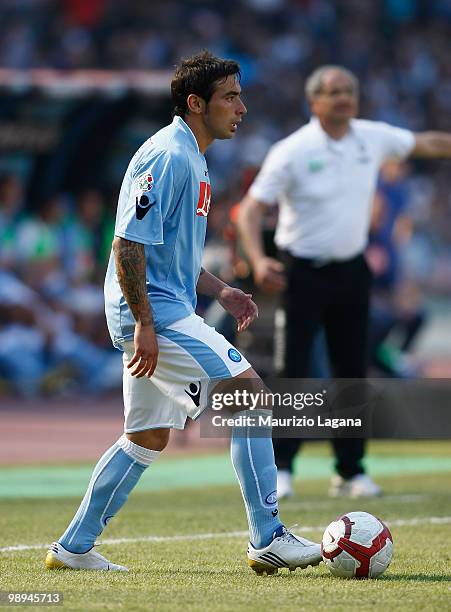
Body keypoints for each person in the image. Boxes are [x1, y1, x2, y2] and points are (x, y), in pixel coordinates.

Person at [44, 51, 322, 574]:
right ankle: (269, 536)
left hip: (160, 307)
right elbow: (128, 244)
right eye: (231, 97)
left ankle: (73, 547)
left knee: (146, 437)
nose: (242, 107)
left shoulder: (194, 154)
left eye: (240, 95)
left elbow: (173, 252)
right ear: (196, 103)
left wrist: (220, 290)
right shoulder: (169, 156)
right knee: (252, 395)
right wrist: (145, 325)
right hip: (155, 313)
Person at [238, 65, 451, 499]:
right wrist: (259, 261)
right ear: (313, 101)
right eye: (334, 92)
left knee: (350, 372)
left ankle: (350, 471)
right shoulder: (291, 150)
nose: (343, 98)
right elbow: (249, 211)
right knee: (292, 371)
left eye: (349, 90)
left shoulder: (370, 137)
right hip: (301, 273)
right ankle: (282, 469)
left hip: (352, 271)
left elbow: (426, 143)